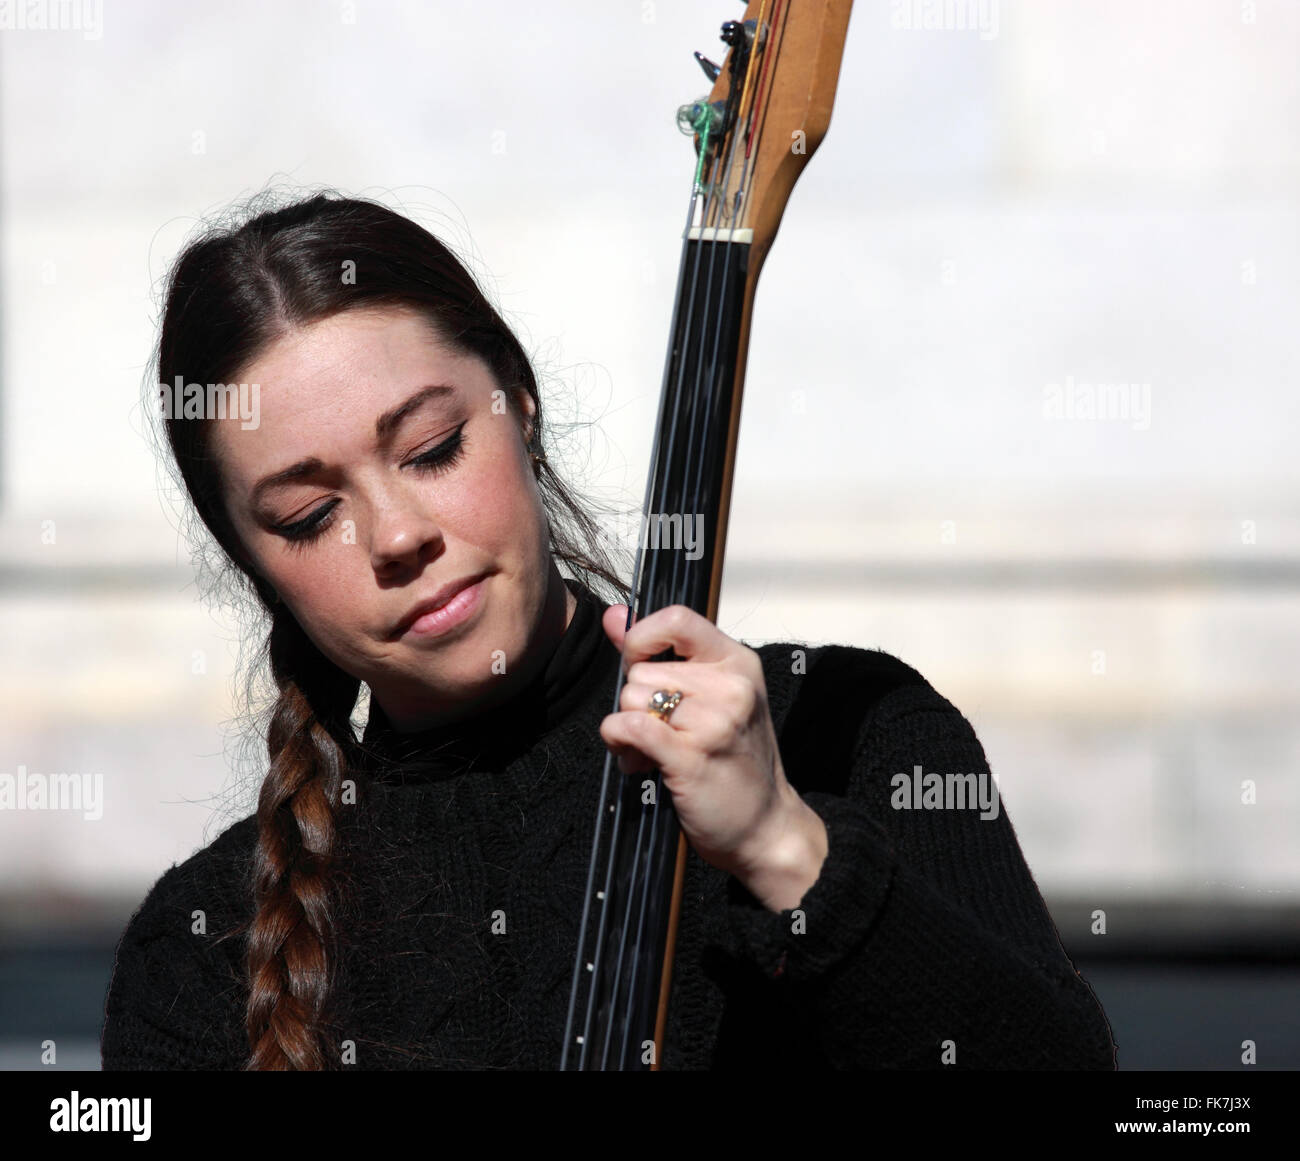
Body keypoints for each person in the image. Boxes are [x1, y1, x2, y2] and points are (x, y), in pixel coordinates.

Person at [100, 191, 1117, 1070]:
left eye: (434, 447)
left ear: (521, 403)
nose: (399, 535)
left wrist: (786, 850)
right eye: (310, 518)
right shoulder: (201, 954)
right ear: (253, 566)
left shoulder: (849, 735)